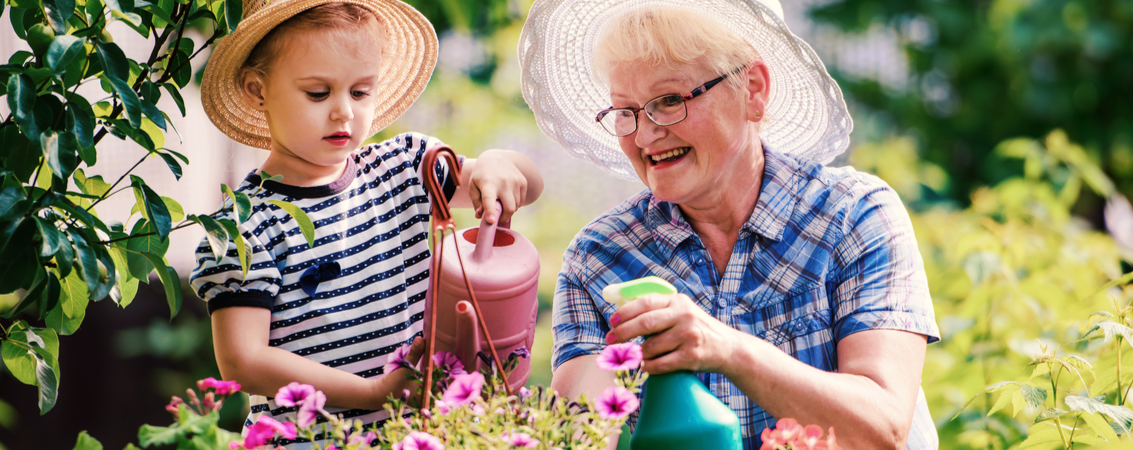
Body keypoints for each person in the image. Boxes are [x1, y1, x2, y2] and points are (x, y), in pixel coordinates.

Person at [519, 0, 940, 448]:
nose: (644, 136)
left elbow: (883, 429)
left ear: (752, 90)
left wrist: (727, 349)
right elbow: (578, 435)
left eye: (668, 101)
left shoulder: (852, 215)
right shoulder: (600, 257)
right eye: (626, 111)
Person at [190, 0, 543, 447]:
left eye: (360, 92)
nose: (344, 112)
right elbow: (244, 361)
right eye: (318, 93)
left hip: (422, 436)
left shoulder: (407, 167)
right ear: (258, 91)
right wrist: (374, 393)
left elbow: (529, 185)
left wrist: (497, 163)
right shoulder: (244, 226)